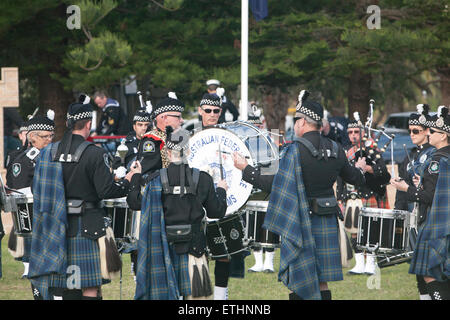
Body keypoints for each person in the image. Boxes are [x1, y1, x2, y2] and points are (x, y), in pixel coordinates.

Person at [257, 90, 367, 300]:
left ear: (303, 122)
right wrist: (361, 168)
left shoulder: (294, 150)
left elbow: (274, 182)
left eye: (297, 120)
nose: (295, 124)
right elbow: (355, 177)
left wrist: (246, 169)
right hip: (327, 219)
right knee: (321, 280)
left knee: (299, 281)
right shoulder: (336, 149)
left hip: (300, 222)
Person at [28, 95, 137, 300]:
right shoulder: (95, 154)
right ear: (88, 124)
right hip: (88, 226)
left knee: (68, 286)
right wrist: (129, 181)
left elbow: (37, 189)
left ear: (69, 123)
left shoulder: (48, 152)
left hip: (56, 226)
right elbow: (107, 191)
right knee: (89, 288)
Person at [134, 127, 228, 299]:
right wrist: (221, 190)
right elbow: (217, 212)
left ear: (168, 153)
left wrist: (135, 177)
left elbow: (135, 203)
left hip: (164, 251)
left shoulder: (154, 181)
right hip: (195, 251)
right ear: (189, 151)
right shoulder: (203, 178)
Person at [390, 105, 450, 300]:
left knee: (430, 274)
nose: (429, 133)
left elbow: (430, 197)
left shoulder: (436, 161)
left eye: (432, 131)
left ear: (443, 135)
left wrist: (407, 189)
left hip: (436, 223)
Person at [336, 112, 391, 275]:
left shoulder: (372, 149)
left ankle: (371, 263)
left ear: (362, 133)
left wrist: (368, 168)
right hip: (352, 197)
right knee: (354, 231)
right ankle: (359, 263)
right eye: (350, 133)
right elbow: (341, 176)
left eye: (356, 132)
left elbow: (384, 173)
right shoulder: (347, 152)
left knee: (370, 230)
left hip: (369, 194)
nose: (353, 135)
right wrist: (340, 197)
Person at [5, 111, 55, 290]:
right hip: (35, 220)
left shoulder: (55, 156)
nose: (50, 140)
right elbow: (19, 192)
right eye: (45, 136)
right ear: (32, 137)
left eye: (51, 135)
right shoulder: (23, 161)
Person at [127, 92, 185, 209]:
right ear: (164, 118)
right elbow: (146, 176)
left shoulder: (176, 137)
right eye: (178, 117)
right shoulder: (152, 141)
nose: (182, 120)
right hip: (162, 201)